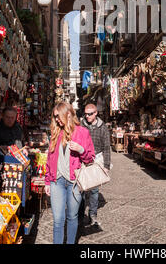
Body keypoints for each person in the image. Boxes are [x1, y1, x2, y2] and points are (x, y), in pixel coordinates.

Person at [44, 101, 95, 244]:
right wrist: (47, 181)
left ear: (67, 114)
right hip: (57, 181)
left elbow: (90, 158)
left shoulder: (82, 132)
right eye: (54, 117)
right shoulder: (55, 133)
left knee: (72, 217)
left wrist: (81, 150)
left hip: (74, 182)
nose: (56, 120)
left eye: (58, 116)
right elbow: (49, 159)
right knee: (58, 219)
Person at [80, 103, 111, 226]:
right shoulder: (81, 125)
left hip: (96, 161)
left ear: (96, 113)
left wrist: (106, 165)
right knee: (81, 189)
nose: (87, 116)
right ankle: (80, 215)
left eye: (90, 114)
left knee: (94, 190)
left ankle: (93, 214)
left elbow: (106, 147)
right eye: (86, 114)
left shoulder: (102, 127)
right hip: (82, 159)